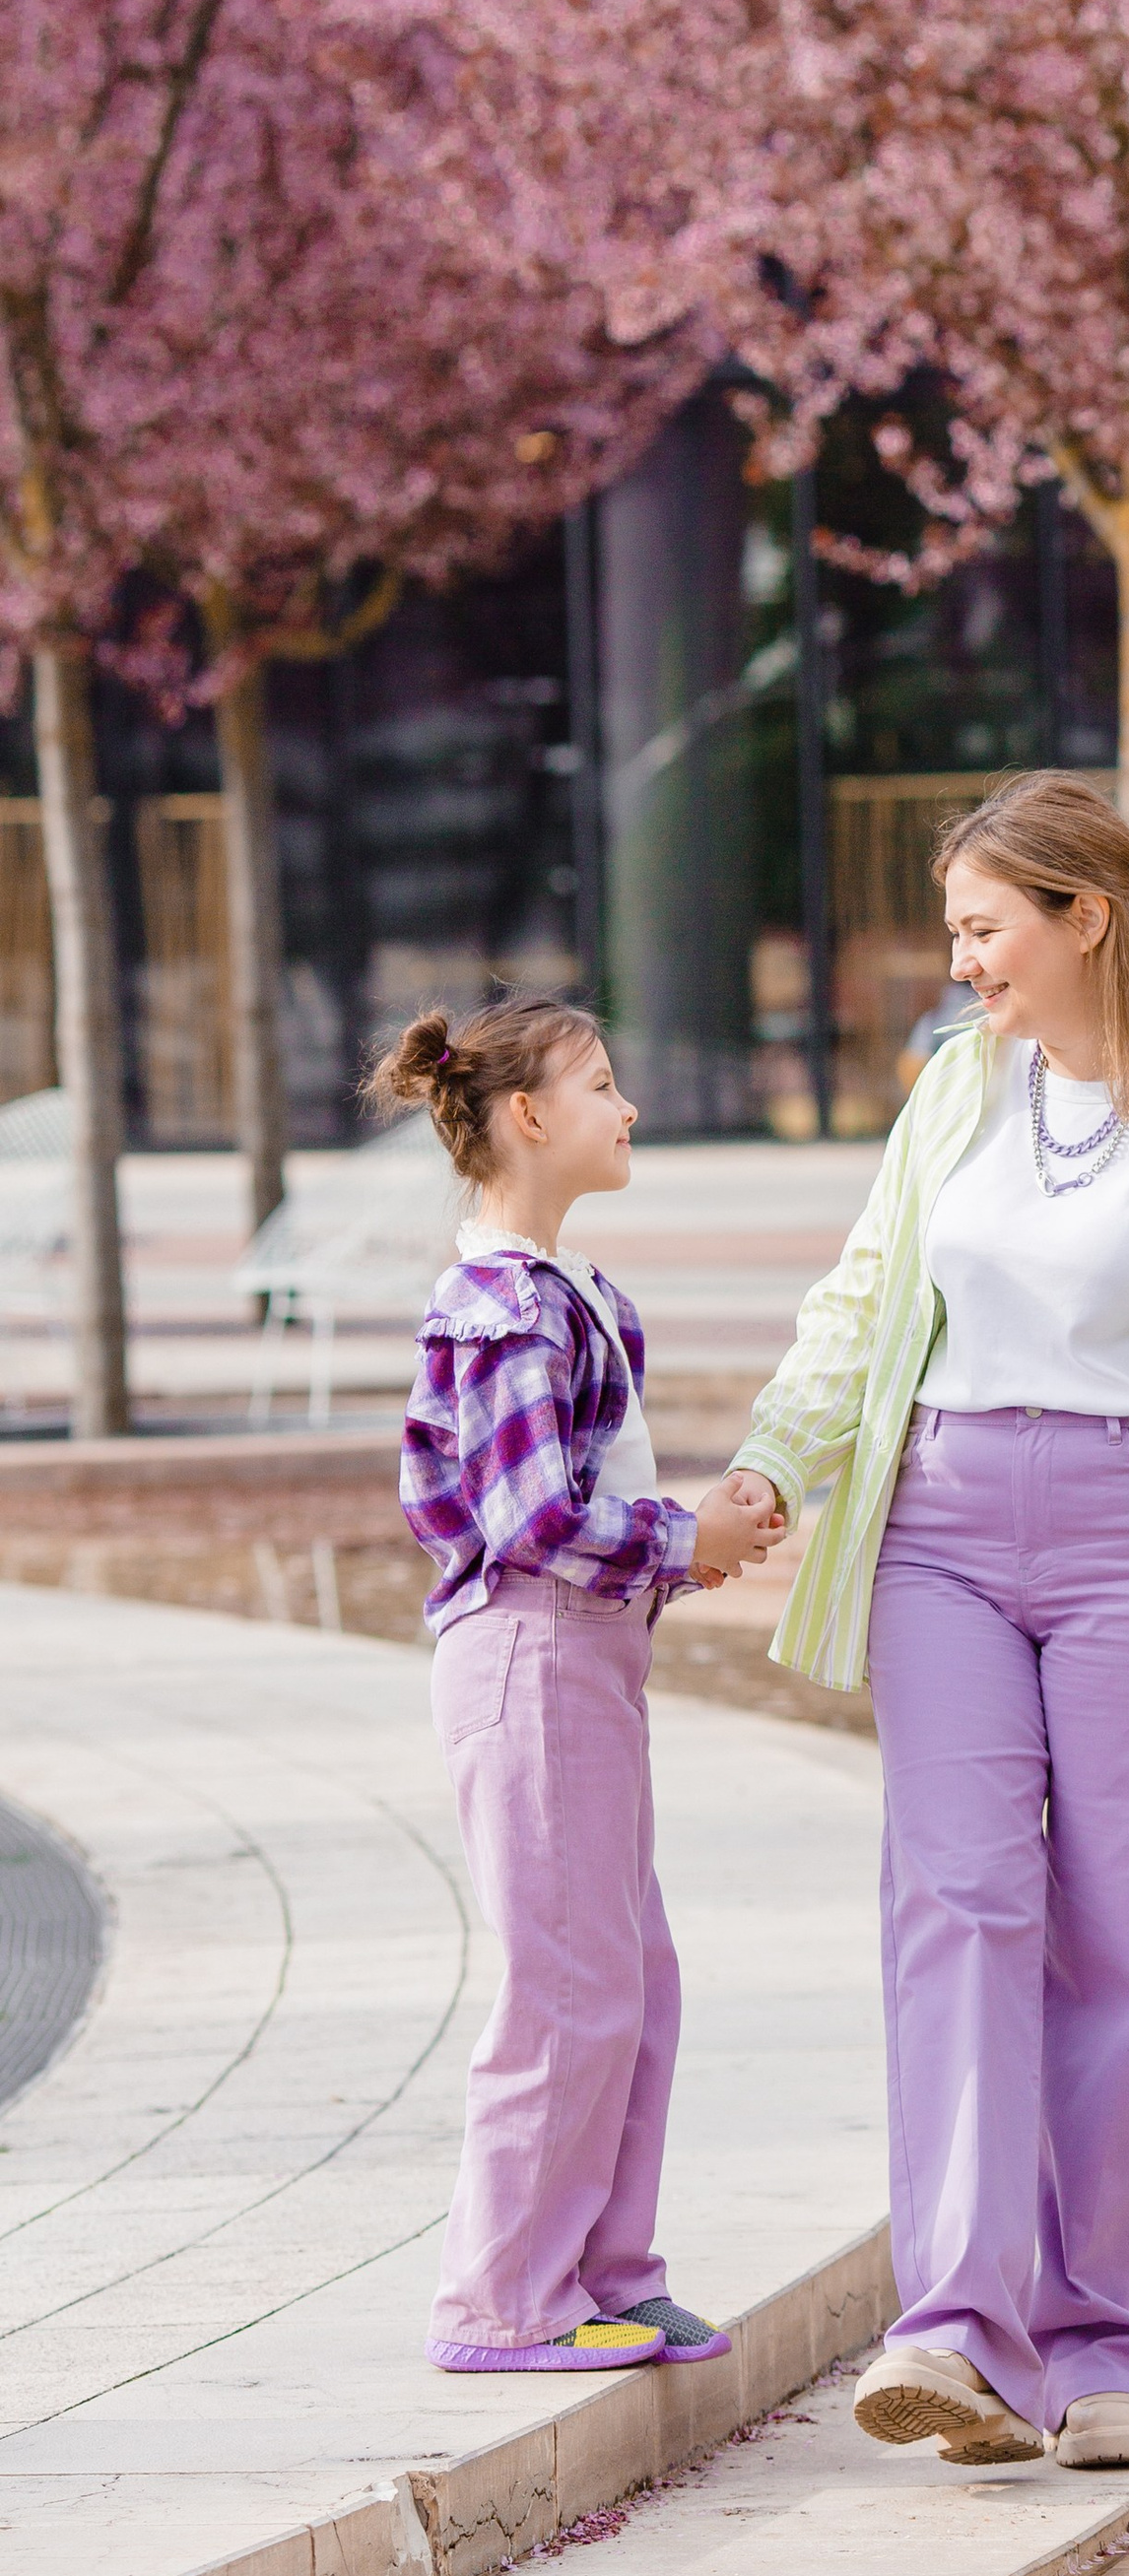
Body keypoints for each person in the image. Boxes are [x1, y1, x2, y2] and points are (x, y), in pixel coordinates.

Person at [721, 772, 1129, 2474]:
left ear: (1088, 916)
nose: (962, 962)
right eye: (955, 931)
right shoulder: (955, 1094)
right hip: (943, 1528)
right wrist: (781, 1461)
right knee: (960, 1902)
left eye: (985, 928)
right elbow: (866, 1302)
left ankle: (1098, 2350)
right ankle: (955, 2325)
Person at [379, 995, 777, 2375]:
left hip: (586, 1660)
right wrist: (686, 1538)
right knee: (569, 1990)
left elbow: (582, 1498)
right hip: (530, 1654)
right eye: (601, 1086)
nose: (627, 1107)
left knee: (634, 1983)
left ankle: (607, 2269)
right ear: (529, 1120)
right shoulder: (496, 1303)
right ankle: (499, 2302)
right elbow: (533, 1521)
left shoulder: (565, 1289)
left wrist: (691, 1548)